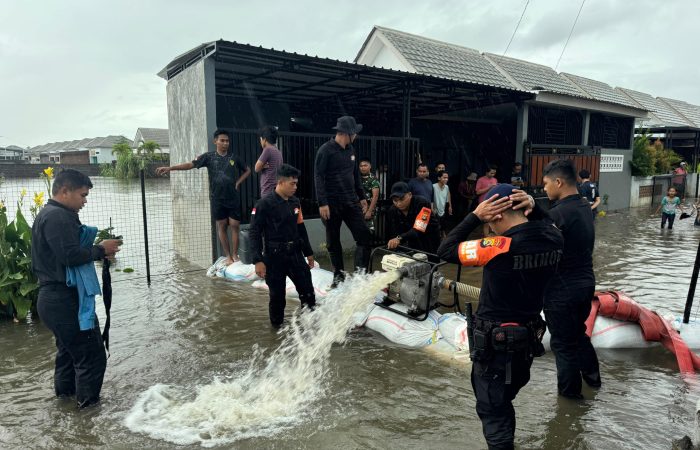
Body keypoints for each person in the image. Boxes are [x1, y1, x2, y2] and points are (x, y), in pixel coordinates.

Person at [438, 184, 564, 450]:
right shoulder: (553, 236)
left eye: (489, 219)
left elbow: (446, 250)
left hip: (495, 349)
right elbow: (550, 222)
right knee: (503, 404)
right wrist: (534, 205)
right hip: (526, 345)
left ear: (495, 214)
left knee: (492, 412)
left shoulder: (498, 245)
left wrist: (474, 216)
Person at [31, 169, 122, 408]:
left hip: (53, 300)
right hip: (64, 301)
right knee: (92, 358)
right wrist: (101, 249)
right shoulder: (58, 217)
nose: (85, 201)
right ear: (64, 191)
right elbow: (70, 256)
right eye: (82, 195)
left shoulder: (48, 214)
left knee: (69, 356)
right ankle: (88, 417)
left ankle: (66, 408)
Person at [512, 159, 601, 399]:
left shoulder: (561, 212)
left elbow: (544, 226)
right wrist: (535, 206)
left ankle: (570, 404)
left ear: (558, 182)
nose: (543, 189)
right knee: (577, 333)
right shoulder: (583, 206)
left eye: (545, 183)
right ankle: (593, 379)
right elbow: (551, 220)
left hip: (563, 290)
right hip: (585, 283)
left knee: (563, 346)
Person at [156, 129, 251, 265]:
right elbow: (190, 164)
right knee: (222, 225)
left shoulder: (234, 158)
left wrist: (237, 182)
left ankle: (235, 255)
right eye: (222, 140)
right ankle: (228, 256)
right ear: (215, 141)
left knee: (235, 225)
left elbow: (248, 170)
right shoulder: (208, 157)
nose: (225, 143)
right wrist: (171, 168)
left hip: (232, 197)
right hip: (217, 198)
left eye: (227, 141)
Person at [250, 164, 316, 328]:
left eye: (296, 183)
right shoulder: (264, 204)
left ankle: (309, 327)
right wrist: (258, 260)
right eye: (292, 183)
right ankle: (277, 330)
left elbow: (301, 228)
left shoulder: (295, 202)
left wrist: (308, 252)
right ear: (280, 182)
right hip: (274, 257)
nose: (295, 187)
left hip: (295, 254)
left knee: (308, 293)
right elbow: (254, 233)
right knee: (277, 297)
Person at [314, 116, 371, 288]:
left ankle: (360, 276)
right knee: (333, 241)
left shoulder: (351, 149)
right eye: (355, 133)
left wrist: (361, 197)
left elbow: (355, 176)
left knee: (364, 236)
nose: (356, 136)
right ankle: (338, 276)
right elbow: (318, 176)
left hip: (351, 201)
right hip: (331, 204)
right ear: (348, 133)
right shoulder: (325, 150)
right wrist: (322, 203)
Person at [386, 182, 440, 253]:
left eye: (402, 199)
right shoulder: (393, 210)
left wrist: (399, 238)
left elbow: (419, 228)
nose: (399, 203)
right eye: (395, 200)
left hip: (429, 236)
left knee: (430, 259)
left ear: (410, 195)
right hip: (410, 239)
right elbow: (394, 232)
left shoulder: (422, 203)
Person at [255, 125, 283, 198]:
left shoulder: (267, 150)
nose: (260, 142)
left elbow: (256, 168)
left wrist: (262, 166)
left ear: (264, 139)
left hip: (268, 189)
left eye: (260, 139)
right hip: (276, 189)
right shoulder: (278, 152)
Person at [359, 158, 380, 234]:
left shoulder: (373, 179)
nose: (363, 167)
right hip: (359, 207)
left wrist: (369, 211)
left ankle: (368, 245)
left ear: (370, 166)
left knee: (368, 230)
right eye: (361, 166)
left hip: (369, 207)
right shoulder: (358, 178)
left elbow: (375, 196)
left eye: (365, 165)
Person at [476, 166, 498, 236]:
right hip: (484, 202)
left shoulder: (495, 180)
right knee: (486, 222)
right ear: (486, 172)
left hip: (493, 202)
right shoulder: (481, 180)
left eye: (494, 173)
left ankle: (492, 236)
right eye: (491, 173)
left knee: (493, 220)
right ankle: (486, 236)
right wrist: (489, 187)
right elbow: (477, 192)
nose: (493, 175)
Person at [433, 170, 452, 237]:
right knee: (436, 226)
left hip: (443, 209)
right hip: (435, 210)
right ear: (439, 178)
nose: (446, 179)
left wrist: (450, 206)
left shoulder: (446, 187)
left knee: (443, 223)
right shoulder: (434, 186)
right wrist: (432, 208)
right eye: (444, 177)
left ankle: (443, 235)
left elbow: (448, 197)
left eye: (447, 178)